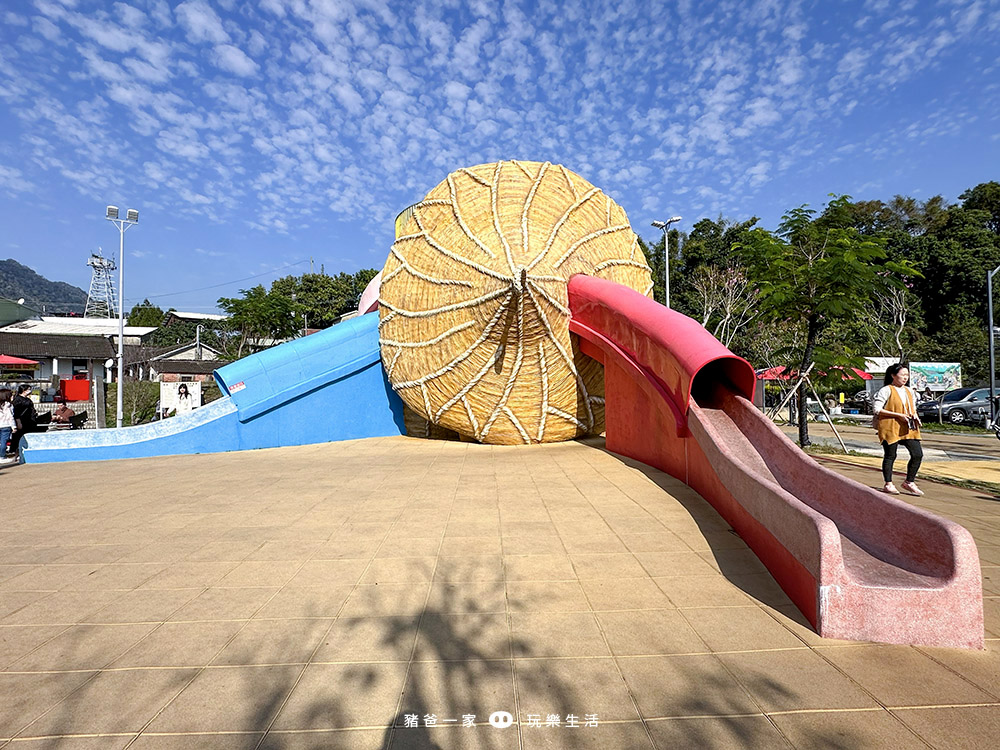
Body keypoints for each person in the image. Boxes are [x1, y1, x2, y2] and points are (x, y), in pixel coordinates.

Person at [873, 363, 923, 496]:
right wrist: (898, 415)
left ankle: (909, 482)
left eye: (907, 375)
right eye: (902, 375)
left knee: (917, 454)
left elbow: (912, 407)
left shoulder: (909, 391)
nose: (905, 378)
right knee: (890, 455)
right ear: (893, 376)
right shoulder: (886, 390)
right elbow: (877, 409)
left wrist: (915, 416)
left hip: (908, 426)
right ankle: (888, 483)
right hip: (890, 427)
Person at [10, 384, 37, 455]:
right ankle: (15, 451)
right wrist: (18, 422)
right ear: (23, 390)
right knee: (18, 437)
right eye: (28, 389)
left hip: (29, 420)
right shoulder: (18, 399)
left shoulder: (28, 399)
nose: (30, 391)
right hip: (22, 420)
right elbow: (16, 412)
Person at [0, 388, 15, 460]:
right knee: (4, 441)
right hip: (5, 425)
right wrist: (13, 426)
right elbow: (10, 417)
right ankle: (2, 456)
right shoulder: (8, 405)